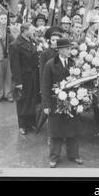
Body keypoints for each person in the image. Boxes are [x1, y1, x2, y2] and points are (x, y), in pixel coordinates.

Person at [42, 38, 83, 168]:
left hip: (72, 101)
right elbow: (45, 86)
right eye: (67, 49)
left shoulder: (73, 63)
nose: (69, 51)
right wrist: (47, 105)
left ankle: (74, 155)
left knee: (73, 129)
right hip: (55, 103)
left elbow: (78, 81)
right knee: (56, 131)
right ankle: (54, 157)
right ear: (59, 50)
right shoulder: (50, 64)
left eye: (70, 48)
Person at [9, 22, 40, 135]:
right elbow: (14, 65)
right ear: (24, 30)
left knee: (32, 99)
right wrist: (18, 82)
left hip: (32, 76)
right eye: (32, 30)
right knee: (22, 101)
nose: (34, 32)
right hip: (23, 77)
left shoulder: (32, 41)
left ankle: (31, 122)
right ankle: (22, 125)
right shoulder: (15, 45)